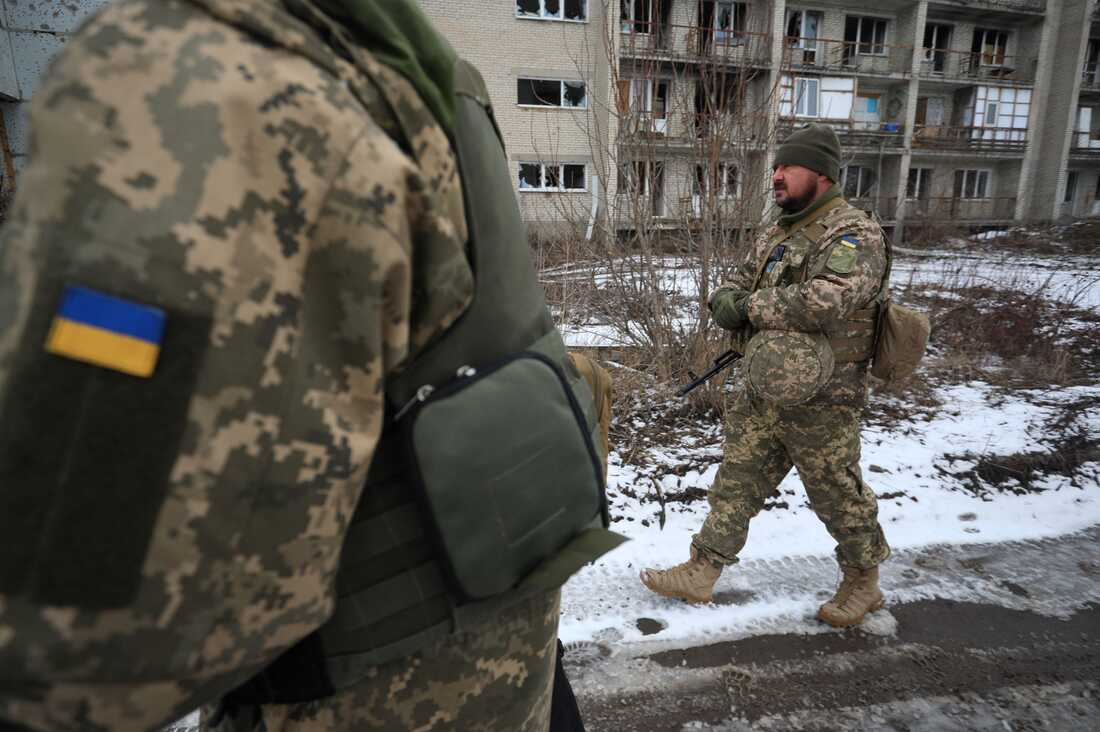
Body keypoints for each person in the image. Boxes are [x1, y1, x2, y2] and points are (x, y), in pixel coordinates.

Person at [0, 1, 623, 730]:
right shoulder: (401, 56)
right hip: (498, 671)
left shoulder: (186, 79)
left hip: (366, 699)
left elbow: (93, 632)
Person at [640, 124, 891, 628]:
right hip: (766, 385)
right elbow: (735, 283)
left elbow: (824, 302)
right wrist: (726, 301)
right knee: (737, 480)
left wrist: (746, 306)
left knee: (836, 491)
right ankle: (702, 569)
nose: (775, 176)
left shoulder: (853, 232)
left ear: (820, 174)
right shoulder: (778, 231)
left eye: (786, 168)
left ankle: (864, 583)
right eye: (775, 167)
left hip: (825, 395)